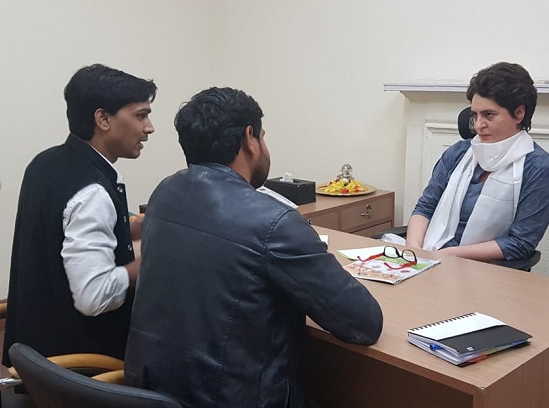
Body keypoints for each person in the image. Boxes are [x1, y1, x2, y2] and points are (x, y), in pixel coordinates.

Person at [124, 87, 383, 407]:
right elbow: (364, 323)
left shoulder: (164, 193)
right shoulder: (275, 222)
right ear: (250, 138)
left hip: (154, 394)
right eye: (263, 136)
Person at [2, 64, 157, 366]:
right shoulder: (93, 193)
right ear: (103, 119)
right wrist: (150, 262)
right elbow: (95, 296)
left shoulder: (46, 163)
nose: (149, 127)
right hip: (80, 370)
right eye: (141, 115)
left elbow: (60, 229)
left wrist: (130, 227)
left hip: (35, 357)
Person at [405, 62, 549, 263]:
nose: (478, 125)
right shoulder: (459, 152)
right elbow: (425, 207)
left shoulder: (539, 168)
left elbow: (520, 243)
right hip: (428, 256)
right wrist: (414, 250)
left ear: (519, 113)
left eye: (489, 115)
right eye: (475, 115)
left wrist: (448, 256)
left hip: (481, 271)